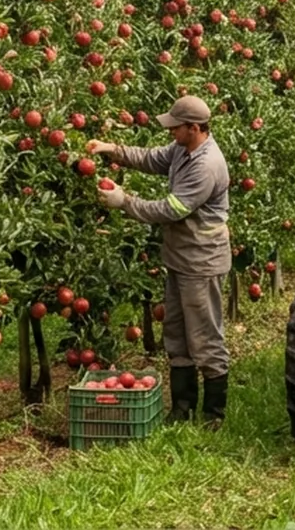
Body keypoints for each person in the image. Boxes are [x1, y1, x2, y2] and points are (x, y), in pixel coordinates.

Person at [87, 94, 231, 427]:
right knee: (177, 335)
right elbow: (153, 158)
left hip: (202, 261)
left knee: (205, 337)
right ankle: (182, 408)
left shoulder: (206, 165)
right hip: (180, 259)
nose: (171, 134)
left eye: (175, 128)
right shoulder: (183, 149)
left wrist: (125, 201)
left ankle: (214, 414)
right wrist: (113, 150)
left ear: (194, 128)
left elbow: (171, 210)